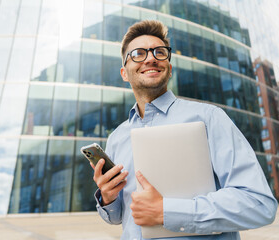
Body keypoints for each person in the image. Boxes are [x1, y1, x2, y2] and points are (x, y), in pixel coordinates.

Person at [91, 20, 278, 240]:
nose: (151, 58)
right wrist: (107, 198)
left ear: (169, 69)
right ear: (124, 73)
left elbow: (259, 204)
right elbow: (120, 218)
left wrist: (167, 212)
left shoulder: (210, 119)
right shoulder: (117, 137)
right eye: (139, 53)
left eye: (159, 52)